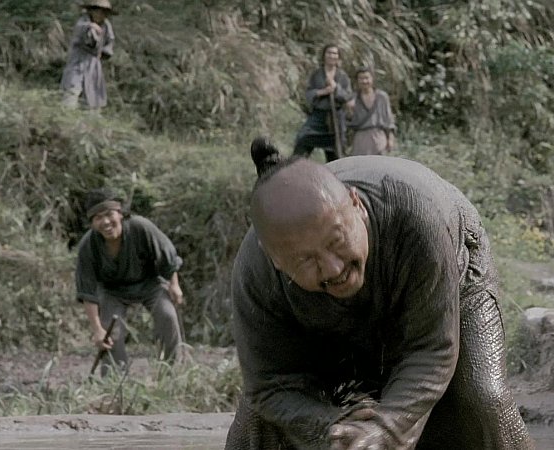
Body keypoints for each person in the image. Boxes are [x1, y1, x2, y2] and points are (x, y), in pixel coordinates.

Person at [224, 138, 536, 450]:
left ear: (357, 205)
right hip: (322, 319)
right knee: (256, 424)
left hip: (454, 264)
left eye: (337, 241)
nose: (333, 268)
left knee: (481, 397)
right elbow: (269, 386)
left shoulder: (416, 220)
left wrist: (387, 427)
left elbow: (432, 349)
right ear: (275, 259)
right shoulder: (255, 273)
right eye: (307, 260)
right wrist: (331, 430)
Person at [75, 188, 184, 375]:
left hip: (150, 283)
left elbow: (168, 256)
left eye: (109, 214)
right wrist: (97, 330)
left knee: (168, 315)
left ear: (120, 214)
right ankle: (115, 380)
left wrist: (174, 285)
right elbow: (87, 291)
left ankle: (172, 373)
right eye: (98, 218)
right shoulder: (88, 245)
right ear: (92, 223)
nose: (106, 222)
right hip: (112, 291)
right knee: (111, 334)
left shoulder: (140, 227)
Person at [293, 44, 355, 162]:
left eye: (335, 53)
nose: (332, 56)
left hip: (336, 118)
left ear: (338, 57)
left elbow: (348, 96)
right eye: (329, 53)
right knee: (303, 139)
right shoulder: (316, 74)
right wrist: (323, 92)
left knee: (335, 151)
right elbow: (308, 94)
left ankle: (334, 172)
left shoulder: (343, 76)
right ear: (324, 55)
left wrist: (336, 88)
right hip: (318, 116)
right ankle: (296, 167)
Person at [60, 0, 116, 110]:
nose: (99, 14)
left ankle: (90, 117)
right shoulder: (83, 22)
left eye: (103, 12)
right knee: (72, 90)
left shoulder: (106, 25)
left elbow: (110, 42)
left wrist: (104, 52)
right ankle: (67, 114)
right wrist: (91, 27)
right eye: (97, 11)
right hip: (78, 61)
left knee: (93, 94)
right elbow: (83, 31)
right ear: (91, 11)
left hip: (93, 64)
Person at [348, 67, 396, 155]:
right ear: (357, 81)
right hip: (361, 138)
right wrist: (349, 109)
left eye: (367, 78)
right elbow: (349, 121)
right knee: (360, 163)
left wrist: (390, 139)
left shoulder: (382, 97)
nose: (364, 81)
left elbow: (389, 119)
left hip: (378, 136)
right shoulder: (353, 98)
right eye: (361, 78)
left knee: (380, 162)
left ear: (372, 79)